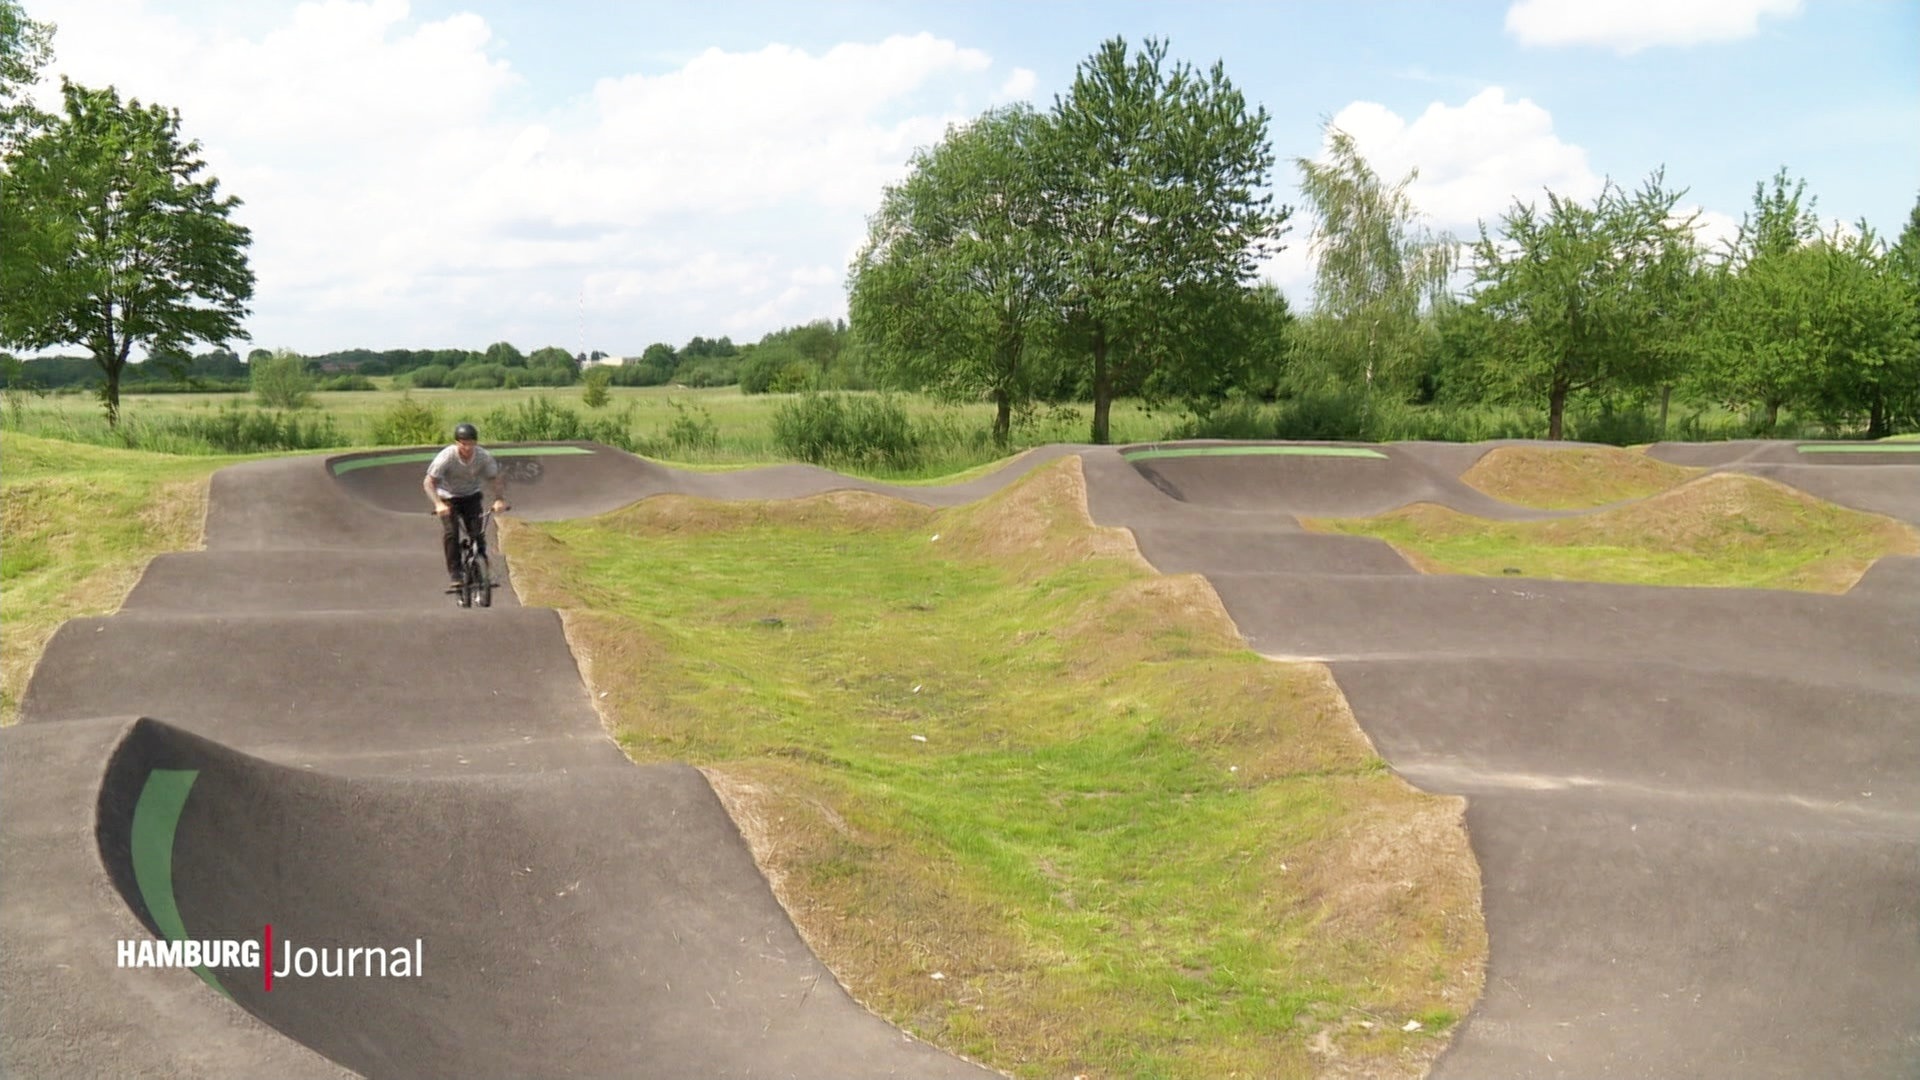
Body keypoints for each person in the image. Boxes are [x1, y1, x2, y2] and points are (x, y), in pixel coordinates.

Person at [423, 422, 510, 586]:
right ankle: (455, 574)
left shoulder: (483, 456)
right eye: (463, 444)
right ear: (457, 443)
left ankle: (483, 570)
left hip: (471, 496)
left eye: (471, 443)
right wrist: (438, 503)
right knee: (451, 533)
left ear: (475, 443)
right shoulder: (446, 457)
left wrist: (499, 499)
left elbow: (495, 479)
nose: (467, 448)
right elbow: (428, 482)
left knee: (477, 534)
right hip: (448, 498)